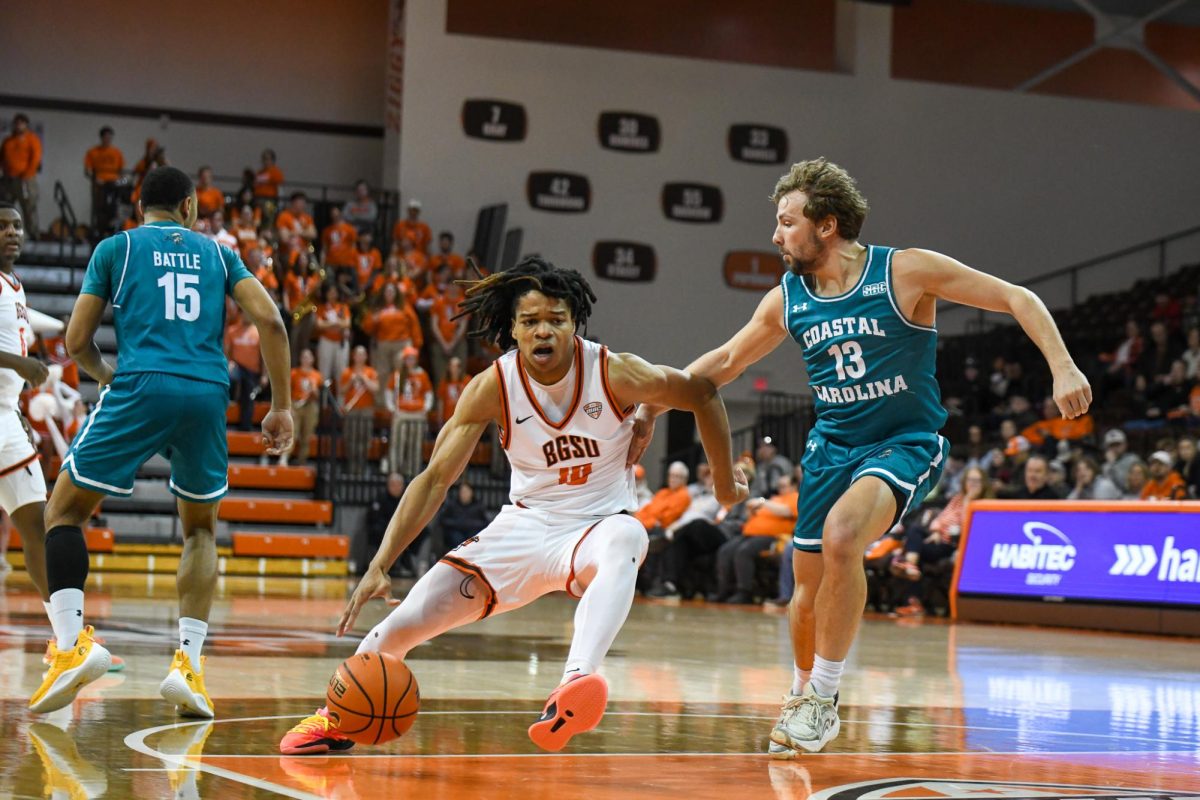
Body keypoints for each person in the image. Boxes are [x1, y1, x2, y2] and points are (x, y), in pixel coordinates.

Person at [627, 158, 1091, 756]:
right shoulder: (787, 299)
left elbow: (1015, 296)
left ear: (826, 225)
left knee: (846, 536)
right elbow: (722, 363)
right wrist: (650, 408)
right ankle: (800, 697)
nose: (775, 235)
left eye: (786, 221)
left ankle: (824, 697)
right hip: (831, 450)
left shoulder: (905, 271)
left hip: (903, 444)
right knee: (805, 590)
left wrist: (1063, 365)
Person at [278, 256, 745, 756]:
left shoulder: (613, 372)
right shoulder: (492, 387)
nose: (544, 331)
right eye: (530, 321)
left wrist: (724, 484)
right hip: (521, 529)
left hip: (595, 525)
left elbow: (701, 392)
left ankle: (575, 683)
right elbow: (435, 479)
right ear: (513, 331)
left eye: (556, 320)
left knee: (629, 537)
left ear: (575, 324)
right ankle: (338, 717)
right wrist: (379, 564)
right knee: (404, 621)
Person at [29, 166, 293, 716]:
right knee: (200, 530)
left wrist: (106, 377)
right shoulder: (220, 254)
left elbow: (76, 341)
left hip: (142, 383)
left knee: (64, 512)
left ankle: (73, 646)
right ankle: (189, 669)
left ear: (139, 205)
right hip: (205, 392)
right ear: (191, 208)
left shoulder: (116, 248)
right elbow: (270, 320)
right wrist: (282, 407)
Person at [711, 473, 799, 604]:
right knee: (725, 550)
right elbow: (752, 516)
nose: (780, 488)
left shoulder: (795, 497)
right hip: (749, 534)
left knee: (744, 551)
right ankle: (723, 590)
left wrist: (762, 501)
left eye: (784, 486)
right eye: (779, 486)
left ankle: (744, 592)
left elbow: (786, 511)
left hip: (772, 537)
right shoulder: (774, 498)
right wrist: (751, 510)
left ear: (794, 486)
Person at [387, 347, 432, 477]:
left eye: (412, 358)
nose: (410, 361)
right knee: (398, 442)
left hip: (417, 414)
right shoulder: (397, 374)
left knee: (416, 443)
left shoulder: (422, 374)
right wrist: (392, 408)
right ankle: (395, 471)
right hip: (401, 413)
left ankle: (413, 471)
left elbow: (428, 393)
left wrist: (426, 407)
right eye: (408, 358)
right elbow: (389, 392)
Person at [1, 114, 42, 239]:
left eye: (21, 123)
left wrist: (27, 174)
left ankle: (34, 234)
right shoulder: (8, 141)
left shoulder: (32, 139)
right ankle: (6, 233)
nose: (18, 125)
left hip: (26, 180)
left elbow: (35, 159)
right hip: (9, 180)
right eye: (16, 123)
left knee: (29, 208)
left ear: (26, 125)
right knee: (6, 207)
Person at [84, 126, 124, 234]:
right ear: (101, 138)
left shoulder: (117, 153)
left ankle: (111, 229)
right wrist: (95, 179)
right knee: (100, 209)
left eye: (110, 137)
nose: (108, 139)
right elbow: (88, 170)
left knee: (113, 208)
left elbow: (121, 171)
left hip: (113, 185)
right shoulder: (92, 152)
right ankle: (100, 230)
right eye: (106, 137)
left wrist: (119, 181)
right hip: (99, 185)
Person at [437, 481, 490, 551]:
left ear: (471, 492)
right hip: (456, 531)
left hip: (473, 531)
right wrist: (457, 523)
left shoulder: (478, 506)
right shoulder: (452, 505)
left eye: (466, 491)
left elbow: (486, 523)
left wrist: (472, 523)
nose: (464, 494)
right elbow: (442, 519)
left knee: (474, 539)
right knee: (457, 539)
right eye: (462, 492)